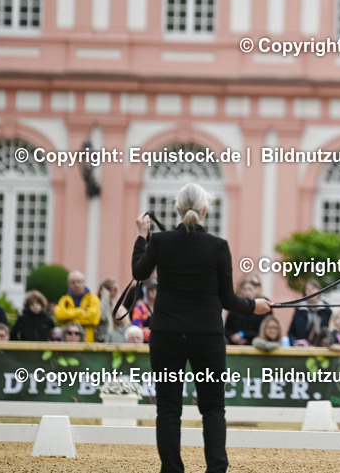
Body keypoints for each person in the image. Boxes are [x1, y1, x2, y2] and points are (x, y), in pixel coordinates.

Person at [133, 182, 271, 473]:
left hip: (167, 334)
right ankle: (216, 469)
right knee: (212, 409)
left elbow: (138, 272)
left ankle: (172, 469)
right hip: (206, 336)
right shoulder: (218, 246)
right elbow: (227, 299)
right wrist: (254, 305)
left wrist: (142, 237)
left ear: (177, 208)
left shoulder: (161, 242)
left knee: (168, 409)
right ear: (206, 210)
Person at [54, 270, 101, 342]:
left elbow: (93, 319)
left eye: (79, 281)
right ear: (69, 284)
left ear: (84, 282)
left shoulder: (93, 299)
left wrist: (68, 319)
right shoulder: (64, 300)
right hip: (67, 342)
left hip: (87, 342)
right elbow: (59, 316)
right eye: (73, 282)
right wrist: (80, 312)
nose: (76, 285)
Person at [223, 279, 268, 345]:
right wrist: (233, 337)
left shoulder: (261, 307)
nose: (247, 293)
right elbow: (227, 329)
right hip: (235, 345)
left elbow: (262, 330)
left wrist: (243, 334)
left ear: (256, 290)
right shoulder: (235, 308)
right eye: (244, 289)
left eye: (250, 289)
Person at [287, 279, 331, 346]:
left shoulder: (326, 310)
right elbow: (291, 332)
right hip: (302, 347)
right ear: (305, 293)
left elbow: (331, 329)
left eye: (313, 289)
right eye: (308, 290)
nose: (311, 292)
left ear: (319, 291)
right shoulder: (299, 309)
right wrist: (294, 343)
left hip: (321, 347)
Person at [96, 278, 118, 343]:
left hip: (113, 339)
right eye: (115, 289)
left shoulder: (114, 304)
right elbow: (102, 317)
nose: (117, 292)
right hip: (102, 339)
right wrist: (105, 298)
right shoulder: (98, 302)